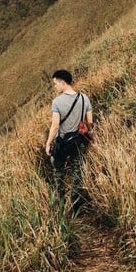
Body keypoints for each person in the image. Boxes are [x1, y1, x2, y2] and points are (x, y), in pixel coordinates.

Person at [45, 69, 93, 211]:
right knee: (78, 172)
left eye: (55, 84)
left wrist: (48, 143)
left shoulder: (57, 102)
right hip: (78, 142)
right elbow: (90, 123)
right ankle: (76, 204)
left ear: (62, 83)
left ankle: (61, 203)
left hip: (63, 143)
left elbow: (55, 126)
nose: (55, 87)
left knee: (59, 172)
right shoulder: (84, 98)